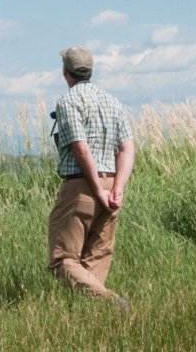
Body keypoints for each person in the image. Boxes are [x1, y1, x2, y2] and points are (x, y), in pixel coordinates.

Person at [47, 46, 136, 303]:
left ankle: (111, 302)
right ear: (91, 71)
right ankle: (89, 315)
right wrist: (117, 187)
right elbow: (127, 146)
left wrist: (97, 188)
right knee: (96, 257)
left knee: (63, 259)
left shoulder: (69, 100)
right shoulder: (112, 102)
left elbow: (80, 147)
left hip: (82, 185)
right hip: (112, 183)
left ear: (66, 72)